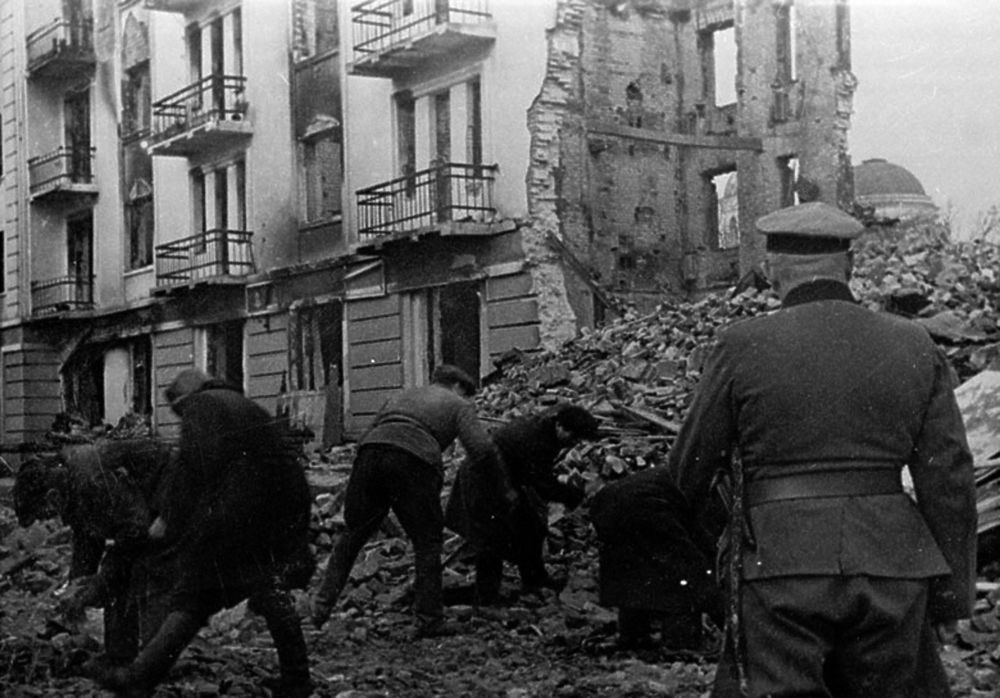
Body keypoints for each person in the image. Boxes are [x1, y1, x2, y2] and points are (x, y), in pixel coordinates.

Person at [667, 201, 977, 697]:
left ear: (771, 271)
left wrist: (728, 554)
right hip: (893, 563)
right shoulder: (915, 342)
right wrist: (949, 596)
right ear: (849, 267)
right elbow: (950, 479)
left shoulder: (739, 345)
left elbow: (686, 472)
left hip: (778, 566)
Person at [99, 369, 314, 698]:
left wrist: (169, 519)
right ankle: (298, 681)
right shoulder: (240, 403)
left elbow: (193, 467)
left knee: (195, 594)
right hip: (284, 504)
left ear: (184, 399)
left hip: (240, 507)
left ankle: (138, 679)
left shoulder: (202, 407)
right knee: (268, 588)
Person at [311, 364, 501, 637]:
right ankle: (429, 619)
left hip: (371, 455)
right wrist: (498, 486)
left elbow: (364, 437)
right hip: (413, 460)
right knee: (427, 542)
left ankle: (320, 609)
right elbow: (481, 449)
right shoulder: (459, 404)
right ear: (459, 387)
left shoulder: (400, 396)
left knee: (353, 536)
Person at [13, 438, 175, 668]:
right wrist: (75, 592)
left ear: (51, 497)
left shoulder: (90, 482)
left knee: (142, 568)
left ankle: (158, 660)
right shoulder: (72, 487)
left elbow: (135, 529)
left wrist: (99, 582)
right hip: (146, 508)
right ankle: (120, 656)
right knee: (115, 576)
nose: (47, 520)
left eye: (44, 515)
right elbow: (87, 543)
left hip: (174, 495)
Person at [445, 404, 599, 605]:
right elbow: (542, 483)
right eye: (573, 437)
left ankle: (535, 579)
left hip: (507, 479)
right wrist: (575, 496)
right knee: (491, 540)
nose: (574, 443)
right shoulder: (536, 441)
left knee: (531, 525)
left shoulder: (546, 428)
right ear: (560, 426)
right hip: (483, 482)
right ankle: (487, 600)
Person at [589, 465, 725, 652]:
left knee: (632, 571)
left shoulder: (690, 472)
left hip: (606, 502)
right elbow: (703, 553)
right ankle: (681, 644)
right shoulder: (716, 491)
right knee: (686, 573)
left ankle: (633, 637)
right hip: (644, 504)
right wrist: (726, 618)